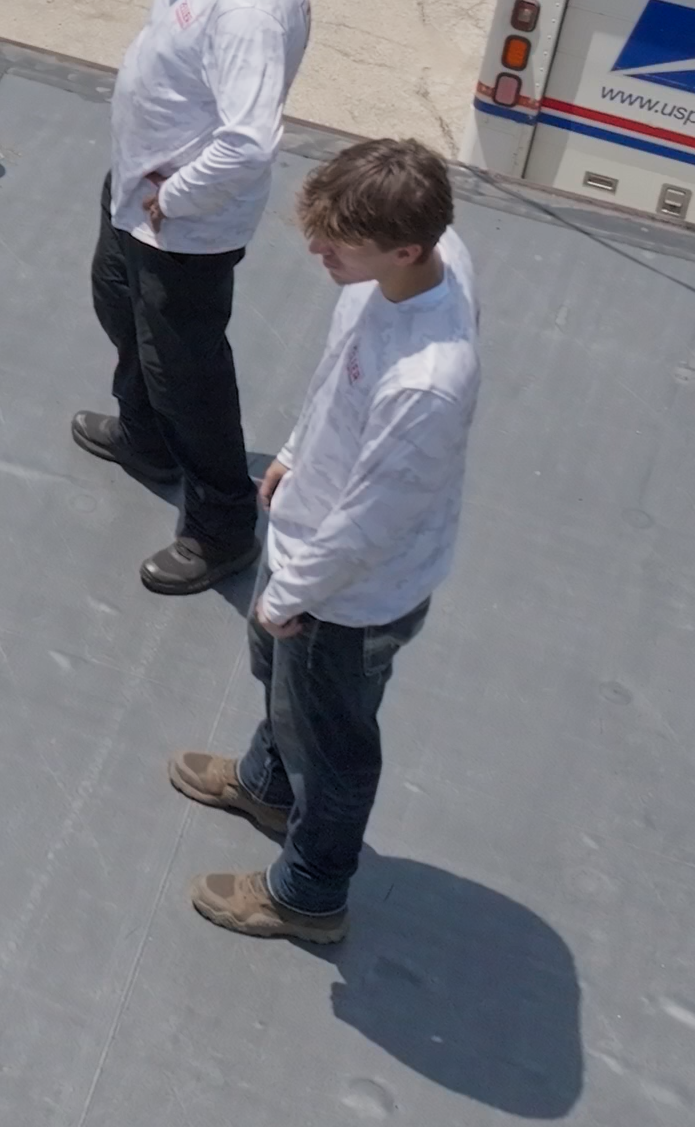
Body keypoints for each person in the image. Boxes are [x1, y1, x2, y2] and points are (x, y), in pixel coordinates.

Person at [169, 137, 478, 944]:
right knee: (283, 689)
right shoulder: (393, 275)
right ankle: (270, 783)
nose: (317, 252)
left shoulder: (428, 381)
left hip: (344, 595)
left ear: (408, 248)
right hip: (308, 553)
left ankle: (308, 895)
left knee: (335, 746)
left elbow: (372, 521)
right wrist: (301, 451)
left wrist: (288, 594)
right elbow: (338, 369)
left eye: (338, 245)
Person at [71, 0, 312, 594]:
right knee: (118, 304)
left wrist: (171, 199)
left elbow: (248, 141)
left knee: (190, 375)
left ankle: (221, 526)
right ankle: (147, 439)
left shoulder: (249, 6)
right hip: (138, 193)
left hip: (182, 224)